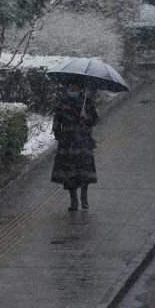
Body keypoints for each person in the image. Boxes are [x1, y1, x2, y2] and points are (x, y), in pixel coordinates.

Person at [51, 78, 99, 211]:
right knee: (69, 172)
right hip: (67, 142)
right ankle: (73, 201)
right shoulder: (62, 102)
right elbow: (56, 119)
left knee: (84, 171)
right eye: (70, 87)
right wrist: (58, 134)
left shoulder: (86, 102)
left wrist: (86, 116)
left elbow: (95, 120)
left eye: (75, 87)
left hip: (83, 141)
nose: (72, 89)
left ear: (80, 88)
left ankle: (84, 198)